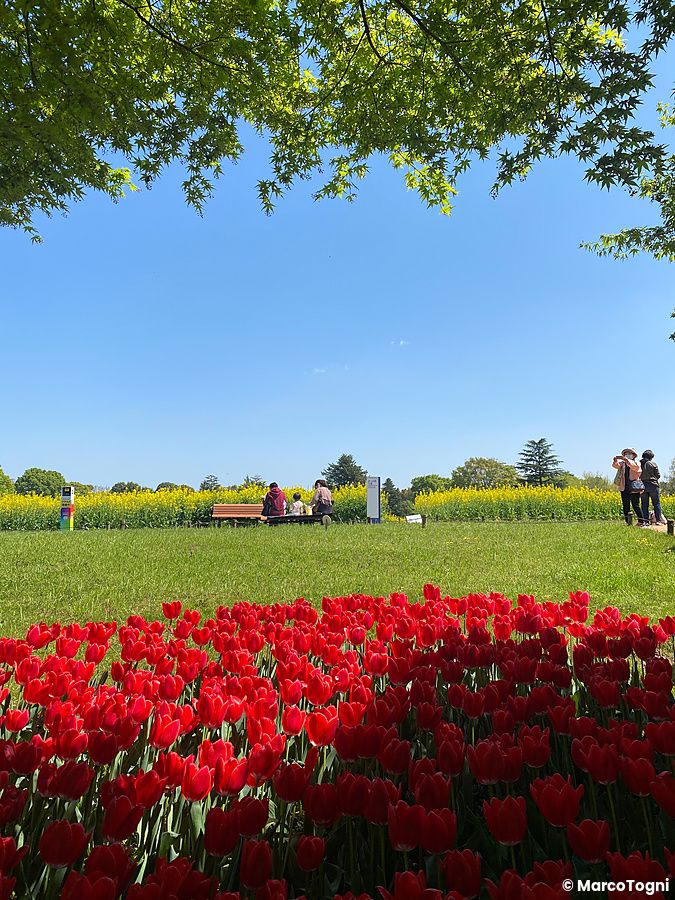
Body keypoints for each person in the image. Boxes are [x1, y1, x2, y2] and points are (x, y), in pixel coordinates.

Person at [612, 449, 644, 525]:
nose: (627, 455)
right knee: (625, 505)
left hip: (634, 487)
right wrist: (615, 461)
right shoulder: (622, 464)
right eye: (625, 454)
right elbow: (615, 466)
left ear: (633, 455)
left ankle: (641, 521)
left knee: (635, 505)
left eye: (629, 453)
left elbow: (636, 468)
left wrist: (627, 460)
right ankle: (628, 522)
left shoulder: (637, 463)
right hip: (624, 487)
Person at [639, 450, 667, 526]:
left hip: (642, 486)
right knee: (656, 503)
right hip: (653, 485)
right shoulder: (653, 464)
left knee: (644, 504)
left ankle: (645, 521)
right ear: (651, 457)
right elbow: (658, 475)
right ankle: (658, 520)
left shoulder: (639, 463)